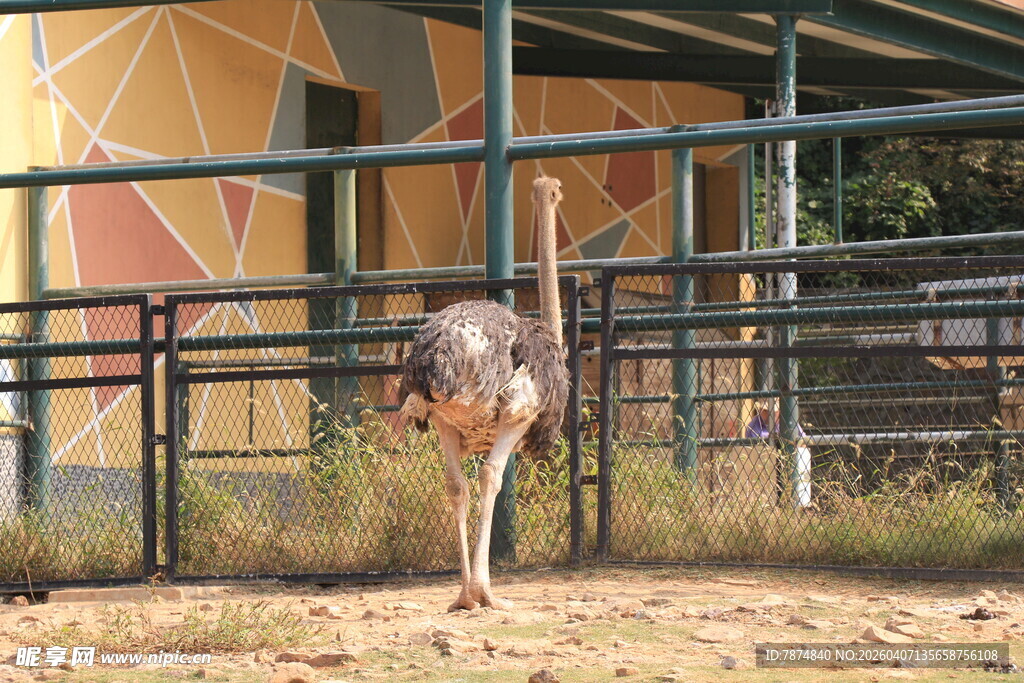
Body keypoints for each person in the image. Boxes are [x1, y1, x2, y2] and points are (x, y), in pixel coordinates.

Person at [745, 399, 812, 507]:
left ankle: (800, 503)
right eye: (765, 411)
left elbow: (803, 442)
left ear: (779, 412)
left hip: (787, 461)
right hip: (765, 462)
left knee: (802, 454)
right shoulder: (754, 425)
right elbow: (752, 451)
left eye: (772, 411)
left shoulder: (789, 421)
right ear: (760, 410)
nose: (768, 414)